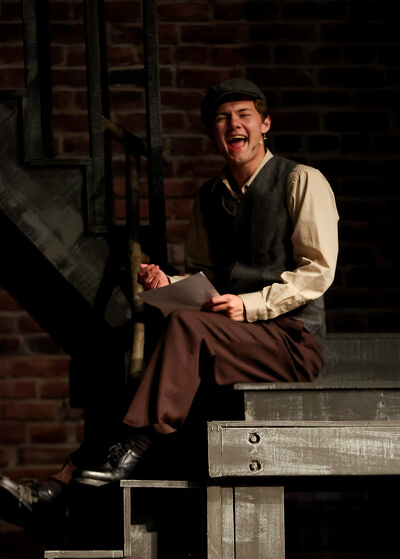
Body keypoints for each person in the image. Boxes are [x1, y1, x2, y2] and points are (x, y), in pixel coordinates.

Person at [0, 78, 339, 527]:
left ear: (265, 124)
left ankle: (129, 448)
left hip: (290, 342)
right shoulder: (209, 197)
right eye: (222, 118)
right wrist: (170, 282)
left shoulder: (301, 181)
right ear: (212, 132)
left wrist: (250, 305)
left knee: (184, 328)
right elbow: (208, 279)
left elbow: (318, 270)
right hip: (230, 338)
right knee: (137, 347)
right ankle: (63, 484)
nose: (233, 125)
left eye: (244, 115)